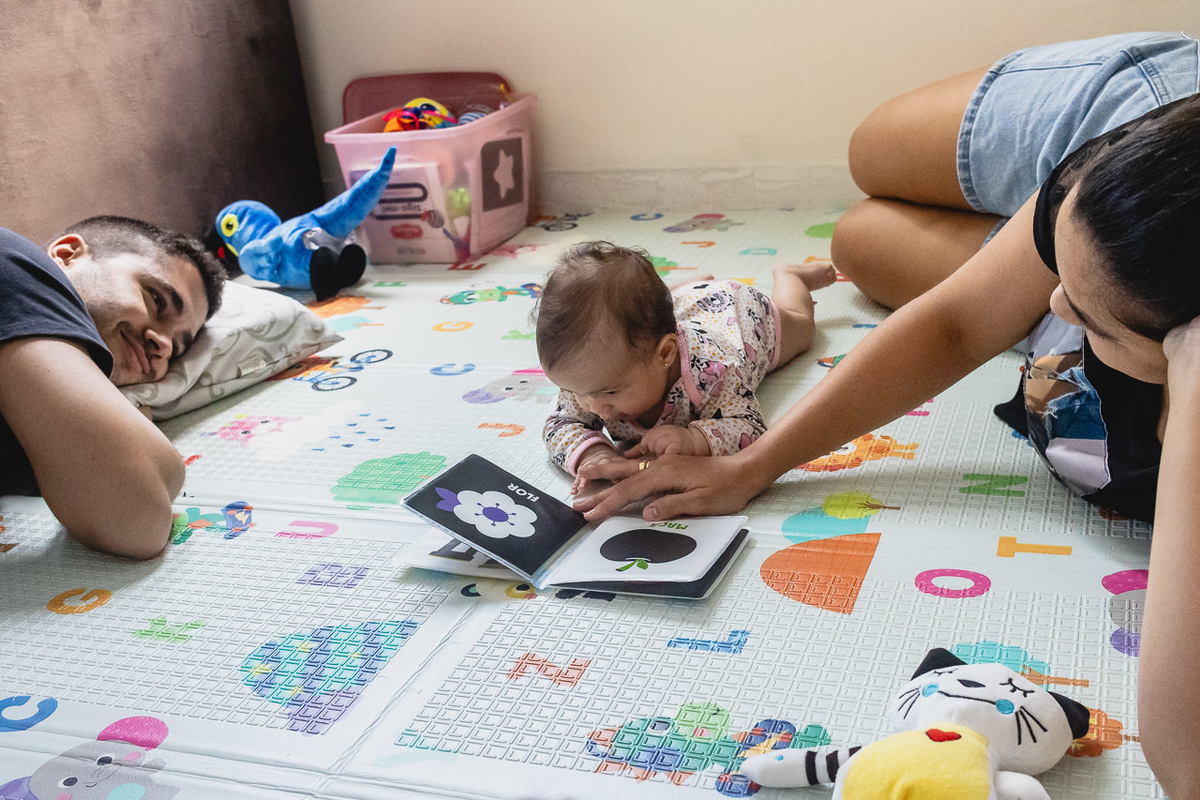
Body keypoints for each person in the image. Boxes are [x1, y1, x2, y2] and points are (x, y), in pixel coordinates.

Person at [571, 32, 1199, 794]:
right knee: (866, 180)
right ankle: (1037, 236)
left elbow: (1185, 762)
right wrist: (752, 462)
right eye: (1056, 272)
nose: (1058, 306)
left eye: (1092, 321)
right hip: (1132, 111)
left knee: (865, 238)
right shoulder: (1095, 194)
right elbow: (956, 324)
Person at [0, 216, 226, 560]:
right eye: (156, 301)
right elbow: (135, 518)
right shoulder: (15, 263)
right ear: (68, 254)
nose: (162, 344)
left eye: (176, 349)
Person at [535, 241, 834, 496]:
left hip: (738, 315)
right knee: (639, 317)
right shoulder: (591, 379)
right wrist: (594, 454)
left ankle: (789, 276)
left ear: (665, 353)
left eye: (611, 392)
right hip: (684, 306)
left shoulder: (713, 371)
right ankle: (688, 286)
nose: (595, 407)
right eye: (576, 392)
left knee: (804, 326)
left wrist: (694, 439)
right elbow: (559, 424)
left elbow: (749, 427)